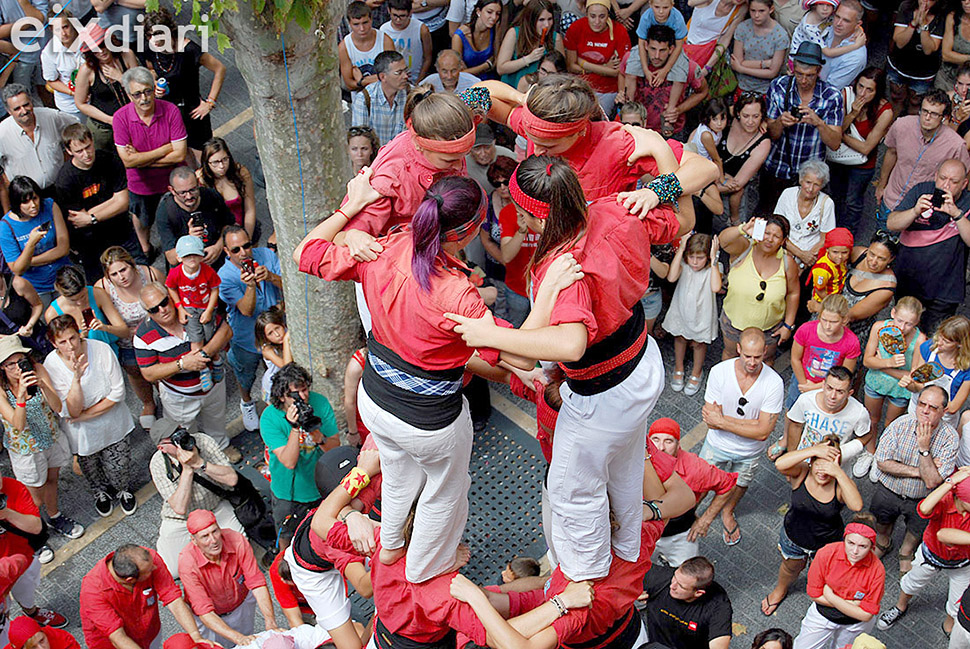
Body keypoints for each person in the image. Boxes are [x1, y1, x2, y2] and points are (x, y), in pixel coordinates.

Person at [448, 154, 693, 584]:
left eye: (521, 214)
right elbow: (682, 220)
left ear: (535, 217)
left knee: (570, 494)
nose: (520, 223)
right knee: (626, 462)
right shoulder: (616, 207)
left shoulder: (561, 265)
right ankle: (626, 544)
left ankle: (585, 578)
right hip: (642, 363)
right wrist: (662, 181)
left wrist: (484, 334)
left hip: (604, 392)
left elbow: (569, 344)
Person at [296, 171, 541, 583]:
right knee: (447, 491)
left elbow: (306, 252)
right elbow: (525, 358)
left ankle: (391, 543)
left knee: (396, 472)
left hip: (375, 400)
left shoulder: (386, 246)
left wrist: (349, 209)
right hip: (429, 421)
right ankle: (424, 571)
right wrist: (546, 293)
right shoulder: (457, 292)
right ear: (465, 233)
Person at [134, 282, 240, 463]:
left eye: (164, 302)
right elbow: (149, 373)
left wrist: (203, 355)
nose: (162, 310)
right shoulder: (143, 336)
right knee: (184, 430)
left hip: (213, 384)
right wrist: (183, 364)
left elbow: (225, 331)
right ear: (148, 313)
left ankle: (222, 447)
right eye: (154, 309)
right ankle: (196, 459)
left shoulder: (193, 311)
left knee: (216, 419)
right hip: (179, 396)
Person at [43, 314, 137, 518]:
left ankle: (123, 490)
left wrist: (85, 416)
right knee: (91, 470)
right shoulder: (51, 365)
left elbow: (118, 393)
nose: (70, 346)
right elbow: (68, 410)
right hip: (83, 435)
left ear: (79, 334)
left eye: (73, 338)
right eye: (62, 342)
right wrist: (75, 379)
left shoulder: (100, 349)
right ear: (53, 343)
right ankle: (101, 493)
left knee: (119, 467)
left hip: (113, 423)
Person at [700, 328, 785, 546]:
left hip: (749, 452)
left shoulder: (773, 382)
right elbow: (710, 419)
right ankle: (686, 514)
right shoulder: (719, 372)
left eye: (758, 356)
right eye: (747, 355)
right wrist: (752, 425)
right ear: (738, 349)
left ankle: (727, 511)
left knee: (741, 483)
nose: (752, 362)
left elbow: (763, 432)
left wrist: (723, 421)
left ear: (765, 351)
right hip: (716, 444)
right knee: (699, 484)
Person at [763, 437, 864, 616]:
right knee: (790, 568)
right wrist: (813, 450)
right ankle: (780, 590)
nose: (823, 471)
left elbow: (857, 505)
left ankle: (823, 594)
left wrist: (839, 473)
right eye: (819, 464)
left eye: (829, 466)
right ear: (812, 462)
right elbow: (780, 464)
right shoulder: (801, 473)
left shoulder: (839, 485)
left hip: (825, 545)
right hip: (793, 537)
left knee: (824, 573)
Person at [0, 336, 79, 564]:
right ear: (3, 368)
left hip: (50, 437)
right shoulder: (2, 390)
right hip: (26, 448)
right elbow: (18, 424)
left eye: (21, 361)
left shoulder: (39, 370)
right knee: (33, 495)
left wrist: (43, 385)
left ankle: (54, 516)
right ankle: (36, 534)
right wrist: (22, 396)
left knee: (52, 480)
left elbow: (57, 406)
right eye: (10, 364)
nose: (18, 368)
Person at [871, 385, 958, 574]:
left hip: (922, 498)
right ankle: (884, 542)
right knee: (882, 520)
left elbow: (932, 483)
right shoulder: (900, 424)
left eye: (933, 407)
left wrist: (924, 448)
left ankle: (906, 551)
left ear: (943, 411)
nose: (925, 411)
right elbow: (882, 462)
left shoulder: (950, 439)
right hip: (889, 490)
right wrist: (921, 471)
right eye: (922, 404)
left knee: (916, 528)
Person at [876, 465, 970, 633]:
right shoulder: (944, 500)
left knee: (957, 601)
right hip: (932, 555)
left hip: (962, 563)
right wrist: (950, 483)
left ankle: (949, 627)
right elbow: (928, 513)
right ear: (962, 499)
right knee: (911, 583)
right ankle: (900, 607)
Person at [148, 418, 246, 578]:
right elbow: (179, 508)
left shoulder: (202, 441)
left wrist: (200, 463)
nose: (181, 438)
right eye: (173, 439)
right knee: (171, 571)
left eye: (180, 431)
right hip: (181, 519)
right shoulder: (158, 463)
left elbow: (232, 479)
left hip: (215, 507)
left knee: (241, 548)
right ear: (162, 448)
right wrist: (187, 469)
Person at [887, 159, 970, 334]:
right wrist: (914, 211)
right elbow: (892, 223)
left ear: (964, 184)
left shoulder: (967, 203)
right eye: (942, 178)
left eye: (953, 182)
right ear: (935, 176)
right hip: (908, 281)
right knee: (902, 335)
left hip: (944, 290)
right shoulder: (921, 191)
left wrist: (956, 214)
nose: (946, 185)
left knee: (935, 342)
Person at [114, 66, 188, 260]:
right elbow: (128, 161)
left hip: (170, 181)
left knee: (176, 220)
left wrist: (142, 159)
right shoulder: (120, 118)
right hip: (141, 185)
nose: (144, 98)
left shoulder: (170, 110)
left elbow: (180, 154)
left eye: (148, 91)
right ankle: (146, 249)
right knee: (142, 219)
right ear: (129, 95)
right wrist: (165, 149)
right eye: (137, 94)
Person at [79, 543, 211, 649]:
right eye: (149, 571)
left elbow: (173, 599)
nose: (155, 568)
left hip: (148, 631)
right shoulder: (92, 592)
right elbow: (118, 637)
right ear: (130, 580)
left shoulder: (147, 559)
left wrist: (195, 636)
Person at [55, 123, 142, 282]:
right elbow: (79, 219)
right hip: (91, 242)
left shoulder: (109, 159)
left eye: (88, 147)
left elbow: (123, 202)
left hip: (121, 228)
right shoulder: (65, 180)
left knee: (140, 272)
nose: (86, 154)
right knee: (101, 286)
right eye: (79, 151)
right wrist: (112, 202)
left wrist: (92, 217)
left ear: (92, 141)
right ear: (69, 152)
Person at [179, 509, 279, 647]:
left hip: (241, 603)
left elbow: (256, 582)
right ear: (194, 540)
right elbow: (204, 611)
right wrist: (238, 638)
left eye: (215, 531)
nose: (213, 540)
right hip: (210, 618)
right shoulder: (187, 563)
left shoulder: (237, 540)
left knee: (247, 638)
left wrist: (270, 621)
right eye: (205, 536)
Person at [648, 418, 739, 567]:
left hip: (680, 534)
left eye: (668, 441)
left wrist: (705, 520)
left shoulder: (695, 468)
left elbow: (728, 484)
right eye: (655, 440)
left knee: (685, 571)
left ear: (678, 445)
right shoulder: (637, 461)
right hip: (644, 531)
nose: (661, 447)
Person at [762, 43, 843, 209]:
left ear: (819, 71)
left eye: (810, 75)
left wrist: (818, 122)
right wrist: (780, 122)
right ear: (793, 68)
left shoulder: (831, 97)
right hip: (777, 167)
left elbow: (835, 143)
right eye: (799, 74)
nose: (804, 80)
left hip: (809, 176)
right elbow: (771, 133)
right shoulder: (779, 87)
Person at [218, 225, 283, 431]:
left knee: (276, 371)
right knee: (245, 374)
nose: (244, 252)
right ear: (227, 252)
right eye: (236, 249)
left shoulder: (266, 255)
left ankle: (277, 405)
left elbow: (289, 284)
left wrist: (271, 277)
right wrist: (250, 286)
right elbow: (246, 310)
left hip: (274, 331)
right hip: (247, 338)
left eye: (246, 246)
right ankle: (246, 403)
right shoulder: (225, 276)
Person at [876, 91, 970, 231]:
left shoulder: (955, 145)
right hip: (891, 198)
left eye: (934, 114)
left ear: (944, 117)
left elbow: (964, 177)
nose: (927, 117)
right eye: (924, 111)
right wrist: (881, 185)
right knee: (879, 243)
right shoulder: (902, 125)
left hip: (921, 209)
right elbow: (891, 153)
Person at [142, 8, 226, 164]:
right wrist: (154, 84)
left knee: (203, 154)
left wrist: (210, 102)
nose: (154, 41)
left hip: (192, 108)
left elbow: (219, 68)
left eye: (159, 36)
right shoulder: (150, 49)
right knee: (182, 152)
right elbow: (151, 69)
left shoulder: (188, 49)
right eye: (150, 36)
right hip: (168, 109)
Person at [260, 363, 339, 527]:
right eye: (296, 393)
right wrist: (295, 428)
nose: (304, 396)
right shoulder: (269, 418)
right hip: (288, 493)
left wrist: (320, 438)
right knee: (286, 536)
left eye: (305, 389)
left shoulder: (320, 402)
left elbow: (335, 449)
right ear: (282, 396)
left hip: (320, 486)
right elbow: (289, 462)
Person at [790, 515, 885, 649]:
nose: (855, 551)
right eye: (851, 543)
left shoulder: (877, 570)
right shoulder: (826, 553)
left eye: (863, 546)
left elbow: (866, 615)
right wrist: (853, 604)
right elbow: (814, 595)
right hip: (823, 615)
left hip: (855, 624)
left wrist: (831, 596)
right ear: (844, 539)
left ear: (872, 547)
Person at [857, 297, 925, 478]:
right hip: (876, 382)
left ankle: (882, 456)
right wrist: (889, 362)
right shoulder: (880, 327)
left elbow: (915, 379)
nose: (902, 327)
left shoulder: (920, 341)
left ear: (917, 322)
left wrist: (882, 365)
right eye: (900, 321)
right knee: (872, 418)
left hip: (900, 390)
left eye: (909, 324)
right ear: (893, 313)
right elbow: (867, 361)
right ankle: (870, 452)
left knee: (891, 425)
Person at [717, 217, 801, 364]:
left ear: (783, 241)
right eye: (767, 233)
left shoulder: (788, 263)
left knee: (765, 360)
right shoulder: (743, 248)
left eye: (776, 236)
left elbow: (793, 293)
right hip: (734, 323)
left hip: (769, 329)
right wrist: (742, 229)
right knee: (731, 355)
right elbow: (723, 241)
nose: (769, 239)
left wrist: (788, 325)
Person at [94, 246, 160, 429]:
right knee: (134, 372)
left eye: (123, 270)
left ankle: (166, 396)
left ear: (132, 265)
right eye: (114, 274)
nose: (121, 277)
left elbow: (167, 297)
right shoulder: (103, 287)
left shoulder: (150, 274)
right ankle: (148, 403)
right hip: (127, 339)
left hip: (155, 333)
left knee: (160, 369)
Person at [827, 68, 894, 236]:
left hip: (863, 165)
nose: (862, 93)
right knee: (836, 195)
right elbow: (834, 130)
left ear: (877, 91)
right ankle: (831, 230)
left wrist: (841, 135)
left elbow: (866, 148)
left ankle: (847, 235)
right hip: (837, 158)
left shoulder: (884, 112)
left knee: (853, 201)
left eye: (869, 90)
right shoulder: (845, 96)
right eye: (861, 86)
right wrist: (852, 114)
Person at [0, 474, 69, 633]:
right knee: (3, 608)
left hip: (24, 558)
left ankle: (32, 611)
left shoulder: (12, 487)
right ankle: (7, 629)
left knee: (27, 590)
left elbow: (36, 527)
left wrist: (7, 513)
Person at [663, 232, 721, 396]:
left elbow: (716, 287)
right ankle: (679, 367)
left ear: (708, 256)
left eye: (700, 257)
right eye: (692, 256)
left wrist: (714, 260)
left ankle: (697, 372)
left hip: (702, 313)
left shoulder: (714, 269)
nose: (695, 262)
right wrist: (681, 249)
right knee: (680, 338)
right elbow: (672, 277)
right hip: (681, 310)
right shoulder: (684, 265)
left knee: (699, 343)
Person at [0, 84, 80, 201]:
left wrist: (73, 156)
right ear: (9, 111)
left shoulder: (51, 117)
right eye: (17, 108)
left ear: (31, 101)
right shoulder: (2, 133)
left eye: (26, 105)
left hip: (59, 188)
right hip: (26, 198)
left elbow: (76, 128)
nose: (24, 111)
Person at [778, 366, 870, 464]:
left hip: (833, 467)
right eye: (829, 388)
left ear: (849, 393)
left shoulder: (859, 412)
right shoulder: (806, 400)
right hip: (804, 462)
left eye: (840, 392)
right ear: (823, 386)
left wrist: (843, 453)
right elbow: (796, 425)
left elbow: (866, 435)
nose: (832, 396)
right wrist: (792, 459)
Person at [0, 176, 71, 304]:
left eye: (35, 198)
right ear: (17, 203)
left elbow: (63, 248)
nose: (33, 205)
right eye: (25, 202)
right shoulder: (6, 226)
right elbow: (17, 269)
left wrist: (29, 261)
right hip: (37, 288)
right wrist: (31, 243)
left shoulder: (49, 205)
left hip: (63, 277)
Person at [166, 236, 222, 390]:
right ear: (179, 258)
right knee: (196, 340)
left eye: (195, 254)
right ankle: (203, 369)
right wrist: (179, 307)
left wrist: (210, 310)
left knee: (210, 337)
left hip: (205, 306)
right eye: (186, 256)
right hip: (189, 307)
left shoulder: (207, 271)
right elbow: (170, 287)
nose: (191, 259)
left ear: (201, 255)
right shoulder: (176, 273)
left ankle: (216, 360)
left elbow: (215, 288)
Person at [631, 25, 708, 135]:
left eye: (662, 50)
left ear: (671, 49)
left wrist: (678, 110)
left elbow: (702, 91)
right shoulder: (633, 62)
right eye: (653, 49)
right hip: (639, 130)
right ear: (646, 46)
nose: (656, 56)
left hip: (671, 131)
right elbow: (622, 75)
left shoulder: (688, 67)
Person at [641, 557, 733, 649]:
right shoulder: (661, 578)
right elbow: (629, 570)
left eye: (681, 586)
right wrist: (632, 591)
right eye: (674, 577)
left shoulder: (717, 606)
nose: (672, 586)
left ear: (698, 593)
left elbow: (719, 645)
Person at [787, 295, 861, 409]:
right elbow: (795, 359)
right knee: (793, 409)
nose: (827, 326)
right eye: (824, 320)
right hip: (802, 378)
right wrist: (804, 384)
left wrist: (814, 387)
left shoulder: (851, 342)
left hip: (831, 387)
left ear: (844, 320)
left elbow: (845, 374)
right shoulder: (805, 330)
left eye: (833, 322)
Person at [72, 25, 138, 152]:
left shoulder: (126, 55)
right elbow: (80, 103)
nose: (101, 52)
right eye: (95, 50)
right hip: (103, 128)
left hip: (131, 121)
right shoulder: (87, 70)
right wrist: (109, 120)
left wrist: (121, 78)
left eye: (102, 45)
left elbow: (139, 87)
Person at [157, 166, 236, 269]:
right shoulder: (166, 212)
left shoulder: (211, 196)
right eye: (183, 193)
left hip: (220, 261)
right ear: (172, 190)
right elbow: (171, 258)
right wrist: (189, 240)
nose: (189, 196)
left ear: (198, 183)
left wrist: (218, 246)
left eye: (193, 190)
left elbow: (229, 224)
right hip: (190, 269)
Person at [901, 315, 970, 429]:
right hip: (918, 408)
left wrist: (930, 405)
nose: (939, 342)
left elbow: (953, 407)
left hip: (944, 418)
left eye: (946, 341)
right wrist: (910, 385)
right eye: (940, 336)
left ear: (960, 344)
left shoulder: (966, 369)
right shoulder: (928, 348)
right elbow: (918, 384)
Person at [563, 0, 631, 117]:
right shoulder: (576, 28)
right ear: (586, 13)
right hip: (581, 86)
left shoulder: (619, 31)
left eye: (602, 16)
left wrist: (582, 63)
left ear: (608, 15)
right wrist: (605, 68)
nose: (597, 22)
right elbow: (571, 66)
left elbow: (619, 71)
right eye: (592, 16)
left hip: (608, 90)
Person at [44, 265, 127, 354]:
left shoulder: (97, 294)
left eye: (83, 296)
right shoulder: (52, 313)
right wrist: (80, 337)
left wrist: (105, 328)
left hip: (108, 352)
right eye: (73, 300)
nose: (79, 303)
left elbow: (124, 332)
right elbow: (61, 348)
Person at [715, 93, 771, 225]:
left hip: (732, 195)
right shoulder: (728, 119)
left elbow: (737, 184)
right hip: (711, 179)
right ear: (738, 113)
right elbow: (714, 108)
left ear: (762, 115)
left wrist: (703, 190)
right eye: (746, 116)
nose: (750, 122)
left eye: (756, 116)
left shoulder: (763, 142)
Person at [774, 158, 835, 272]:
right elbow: (777, 229)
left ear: (822, 186)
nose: (810, 189)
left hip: (812, 258)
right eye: (808, 182)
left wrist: (804, 263)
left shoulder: (827, 203)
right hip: (785, 250)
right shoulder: (788, 194)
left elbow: (825, 239)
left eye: (816, 185)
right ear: (801, 180)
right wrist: (801, 255)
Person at [887, 0, 945, 117]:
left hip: (923, 73)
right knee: (896, 97)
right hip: (899, 65)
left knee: (916, 103)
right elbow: (899, 42)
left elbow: (928, 49)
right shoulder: (906, 7)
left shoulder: (941, 16)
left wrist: (924, 25)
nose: (925, 1)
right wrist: (913, 23)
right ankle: (891, 125)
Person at [197, 138, 258, 239]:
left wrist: (247, 238)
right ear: (207, 163)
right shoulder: (200, 180)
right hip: (217, 235)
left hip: (242, 229)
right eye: (215, 162)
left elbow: (250, 209)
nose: (221, 166)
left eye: (225, 159)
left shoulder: (241, 173)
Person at [495, 0, 563, 90]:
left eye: (550, 19)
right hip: (512, 91)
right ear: (531, 20)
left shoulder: (556, 38)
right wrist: (528, 59)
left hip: (541, 94)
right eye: (541, 20)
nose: (546, 24)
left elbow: (562, 73)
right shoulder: (514, 34)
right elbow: (501, 68)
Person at [730, 0, 790, 95]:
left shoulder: (780, 35)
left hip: (767, 89)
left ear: (771, 9)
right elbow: (737, 61)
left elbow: (772, 73)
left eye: (761, 11)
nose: (756, 15)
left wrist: (742, 68)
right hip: (743, 85)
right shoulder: (742, 28)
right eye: (753, 11)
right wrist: (764, 64)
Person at [351, 50, 409, 147]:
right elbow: (360, 141)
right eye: (399, 73)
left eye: (405, 71)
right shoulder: (364, 99)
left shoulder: (411, 95)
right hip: (377, 158)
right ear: (382, 77)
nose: (405, 76)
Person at [339, 1, 396, 95]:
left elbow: (392, 75)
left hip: (386, 96)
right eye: (356, 24)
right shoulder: (344, 47)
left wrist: (361, 80)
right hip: (360, 101)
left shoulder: (385, 41)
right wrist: (379, 78)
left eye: (365, 23)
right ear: (349, 23)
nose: (362, 28)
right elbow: (349, 84)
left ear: (371, 20)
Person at [681, 0, 747, 73]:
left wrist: (707, 68)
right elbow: (691, 3)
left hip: (709, 54)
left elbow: (725, 40)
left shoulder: (742, 8)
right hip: (686, 47)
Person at [40, 10, 81, 117]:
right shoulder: (48, 52)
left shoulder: (86, 37)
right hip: (71, 105)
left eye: (65, 27)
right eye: (58, 29)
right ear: (51, 30)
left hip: (97, 97)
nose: (63, 33)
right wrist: (74, 93)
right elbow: (51, 81)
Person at [820, 0, 867, 90]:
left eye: (846, 20)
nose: (838, 23)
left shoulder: (855, 57)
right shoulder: (828, 26)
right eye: (837, 17)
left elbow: (829, 89)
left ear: (858, 24)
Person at [380, 0, 432, 83]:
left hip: (416, 78)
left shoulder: (421, 29)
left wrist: (419, 81)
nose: (398, 20)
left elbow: (427, 57)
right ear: (389, 10)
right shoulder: (384, 30)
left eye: (402, 16)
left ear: (410, 13)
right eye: (394, 15)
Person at [451, 0, 501, 79]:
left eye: (497, 14)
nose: (494, 17)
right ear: (478, 11)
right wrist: (487, 65)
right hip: (468, 83)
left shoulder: (495, 29)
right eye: (489, 12)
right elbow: (459, 73)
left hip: (491, 81)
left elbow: (497, 60)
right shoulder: (459, 36)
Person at [807, 228, 854, 305]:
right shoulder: (822, 270)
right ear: (827, 249)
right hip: (824, 301)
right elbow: (819, 290)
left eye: (844, 252)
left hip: (837, 294)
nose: (839, 256)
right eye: (835, 252)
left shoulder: (841, 260)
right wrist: (831, 304)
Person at [0, 271, 44, 354]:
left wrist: (29, 325)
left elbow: (37, 305)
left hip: (33, 340)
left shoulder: (18, 283)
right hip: (7, 349)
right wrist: (7, 338)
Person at [255, 306, 290, 404]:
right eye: (270, 333)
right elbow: (286, 366)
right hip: (272, 385)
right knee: (274, 410)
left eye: (277, 328)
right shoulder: (267, 350)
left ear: (283, 325)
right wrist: (286, 341)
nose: (277, 334)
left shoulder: (286, 333)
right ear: (265, 338)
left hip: (288, 383)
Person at [688, 99, 729, 175]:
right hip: (700, 166)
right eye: (714, 119)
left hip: (705, 161)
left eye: (722, 119)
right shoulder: (706, 135)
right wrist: (723, 180)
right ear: (707, 118)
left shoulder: (712, 127)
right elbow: (716, 159)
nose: (719, 123)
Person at [939, 0, 970, 93]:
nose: (966, 2)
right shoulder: (953, 17)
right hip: (947, 78)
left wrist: (957, 57)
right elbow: (946, 55)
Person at [3, 616, 79, 649]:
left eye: (42, 640)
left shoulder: (63, 639)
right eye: (33, 647)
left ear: (43, 632)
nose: (42, 648)